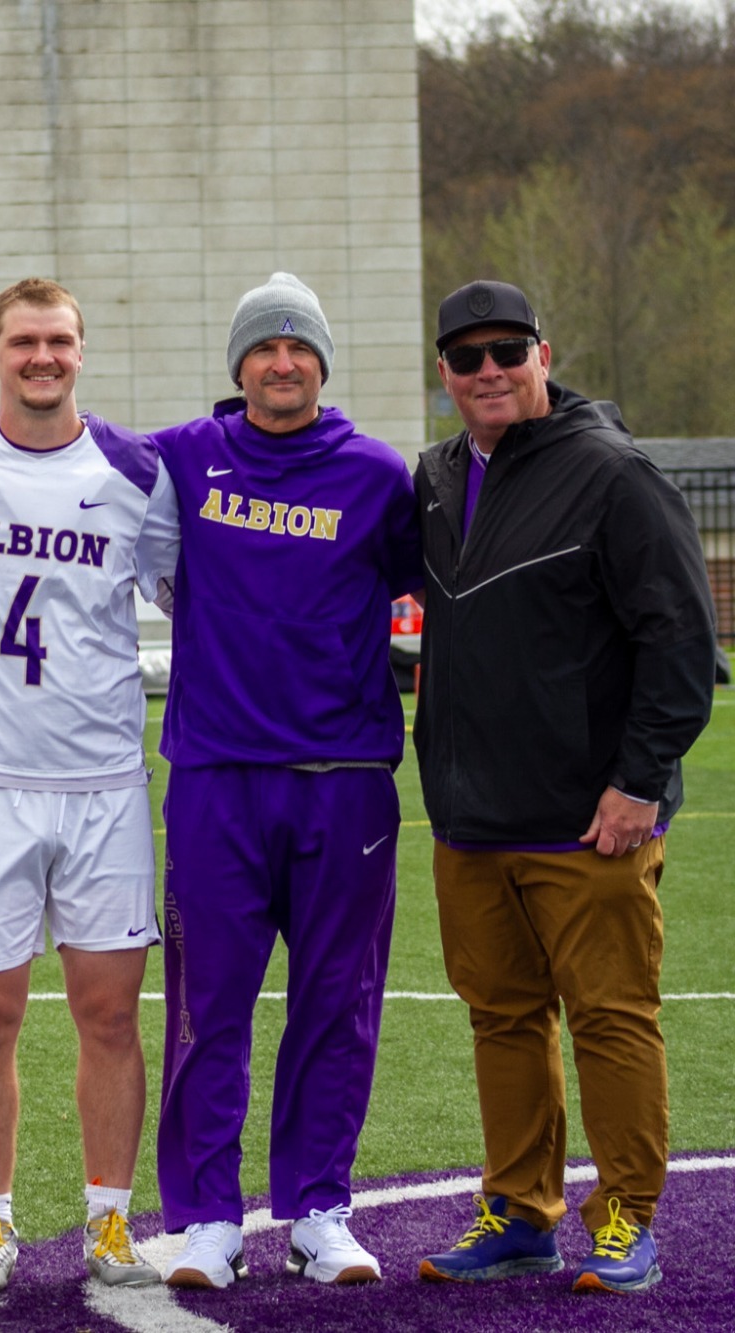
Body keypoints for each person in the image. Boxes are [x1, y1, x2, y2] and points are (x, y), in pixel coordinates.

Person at [413, 281, 714, 1295]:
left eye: (506, 350)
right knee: (499, 1018)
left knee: (610, 1017)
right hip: (468, 819)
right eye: (465, 357)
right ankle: (517, 1211)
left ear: (543, 353)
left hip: (589, 822)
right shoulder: (435, 475)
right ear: (442, 373)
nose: (486, 370)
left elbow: (680, 640)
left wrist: (637, 783)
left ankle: (624, 1215)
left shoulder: (613, 474)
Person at [0, 279, 178, 1292]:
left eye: (58, 340)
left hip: (100, 781)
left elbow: (185, 587)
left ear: (81, 352)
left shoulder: (137, 472)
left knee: (109, 1016)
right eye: (23, 342)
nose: (41, 357)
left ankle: (107, 1220)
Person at [144, 274, 418, 1289]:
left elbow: (419, 583)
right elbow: (61, 444)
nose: (281, 362)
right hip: (216, 776)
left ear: (321, 363)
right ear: (238, 365)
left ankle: (316, 1208)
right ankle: (208, 1217)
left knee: (333, 1005)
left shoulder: (376, 475)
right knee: (206, 1005)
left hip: (342, 780)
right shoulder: (180, 458)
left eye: (298, 347)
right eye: (263, 347)